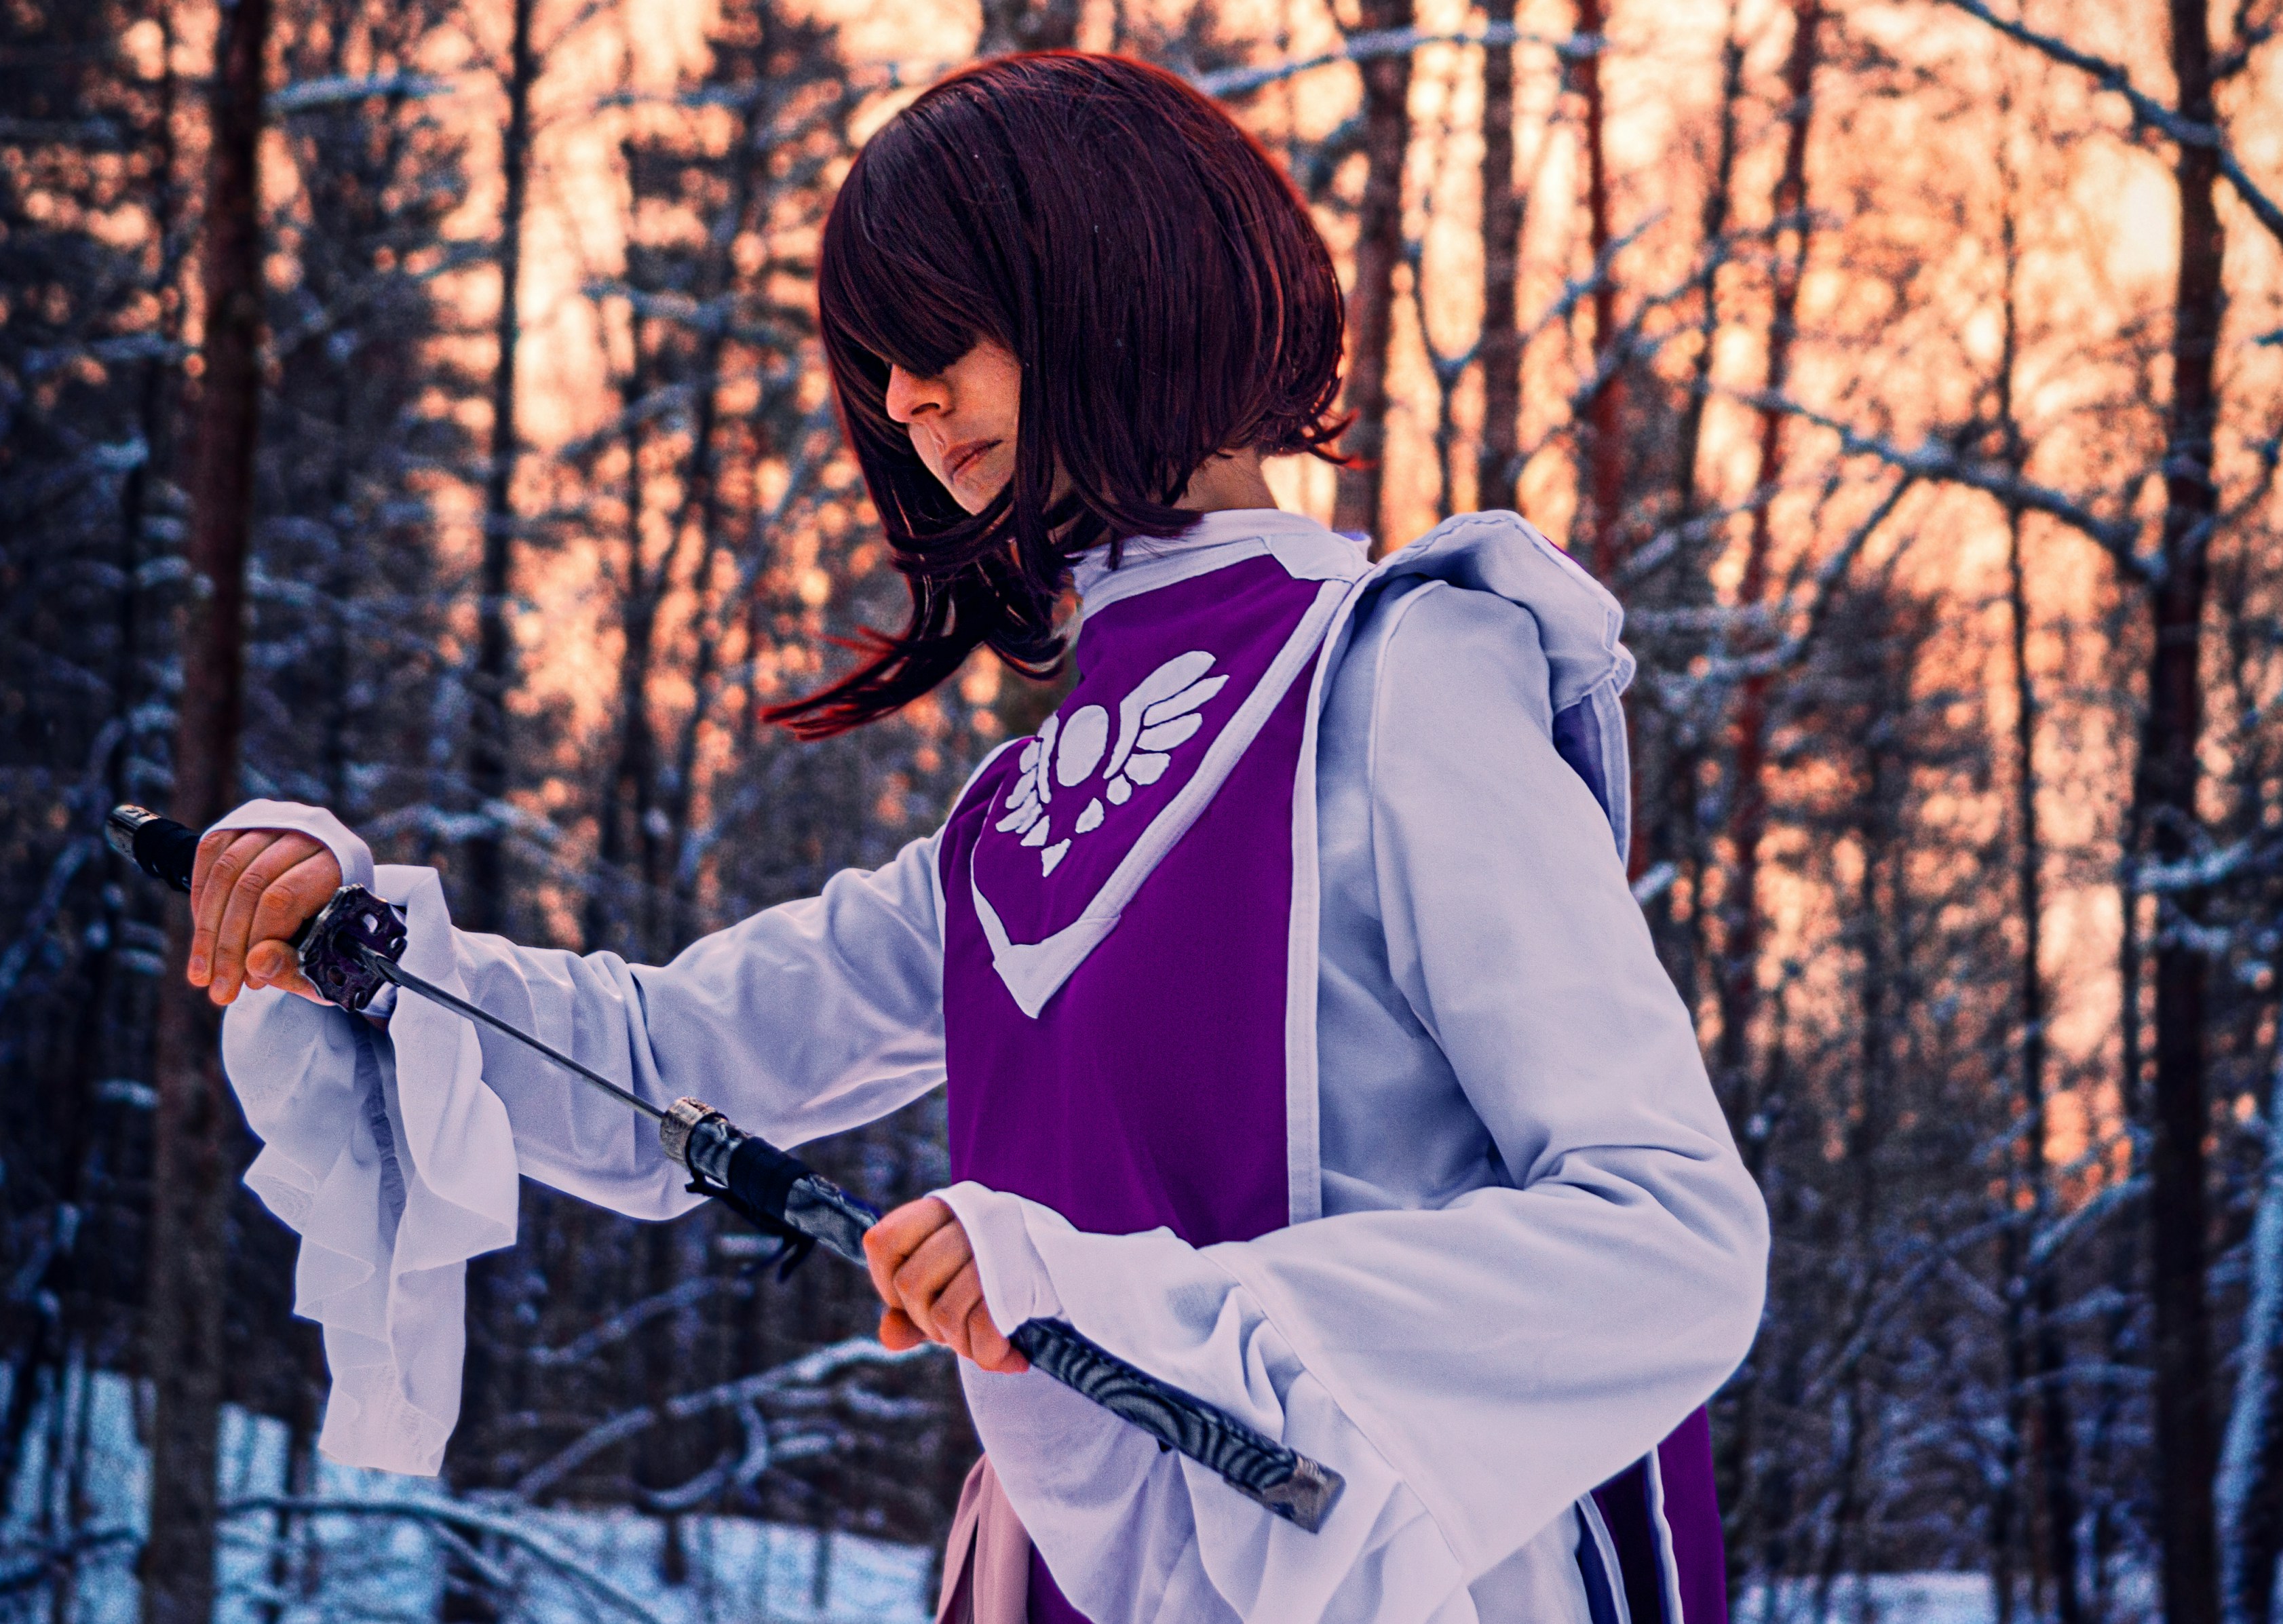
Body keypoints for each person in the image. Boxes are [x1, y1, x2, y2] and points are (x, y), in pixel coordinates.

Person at [187, 52, 1767, 1624]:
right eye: (877, 359)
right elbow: (664, 1061)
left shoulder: (1406, 676)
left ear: (1119, 279)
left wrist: (1130, 1307)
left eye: (941, 332)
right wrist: (363, 950)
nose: (902, 399)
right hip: (1055, 1583)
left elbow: (1665, 1233)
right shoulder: (1010, 826)